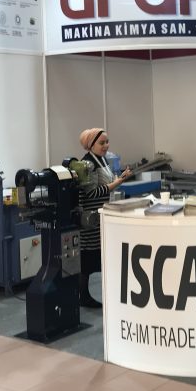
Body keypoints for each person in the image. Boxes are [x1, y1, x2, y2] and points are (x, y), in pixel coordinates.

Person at [77, 128, 132, 308]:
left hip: (100, 216)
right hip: (90, 219)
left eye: (107, 142)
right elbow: (92, 192)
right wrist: (118, 182)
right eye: (102, 143)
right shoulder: (88, 164)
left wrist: (120, 178)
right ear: (91, 144)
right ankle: (83, 296)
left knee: (99, 256)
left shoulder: (101, 160)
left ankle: (99, 295)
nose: (106, 146)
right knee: (88, 259)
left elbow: (106, 183)